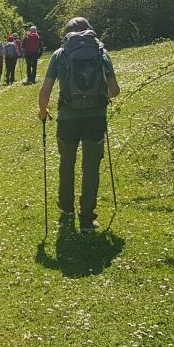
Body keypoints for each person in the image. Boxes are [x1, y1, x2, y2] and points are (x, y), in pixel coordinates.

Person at [38, 18, 120, 232]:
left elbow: (45, 90)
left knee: (67, 163)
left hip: (67, 118)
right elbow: (115, 90)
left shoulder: (60, 54)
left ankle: (67, 209)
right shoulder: (101, 53)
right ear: (90, 31)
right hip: (95, 118)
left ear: (67, 33)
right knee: (91, 168)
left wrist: (42, 111)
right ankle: (87, 218)